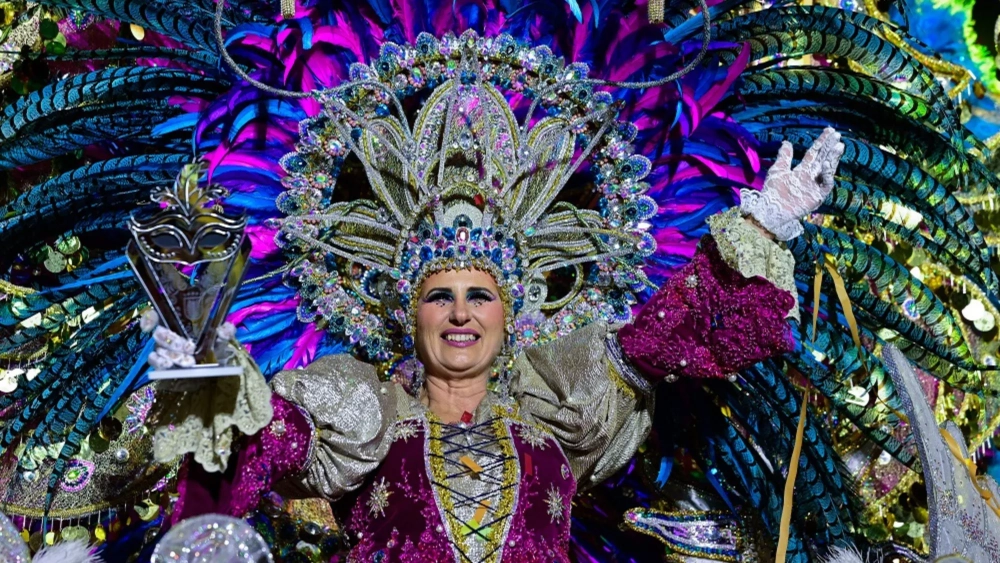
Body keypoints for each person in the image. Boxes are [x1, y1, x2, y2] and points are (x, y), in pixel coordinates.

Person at [141, 31, 846, 561]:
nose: (459, 312)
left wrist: (762, 224)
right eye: (438, 295)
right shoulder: (364, 412)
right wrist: (207, 379)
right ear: (405, 313)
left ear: (513, 312)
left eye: (480, 294)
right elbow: (264, 441)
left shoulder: (563, 406)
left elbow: (675, 329)